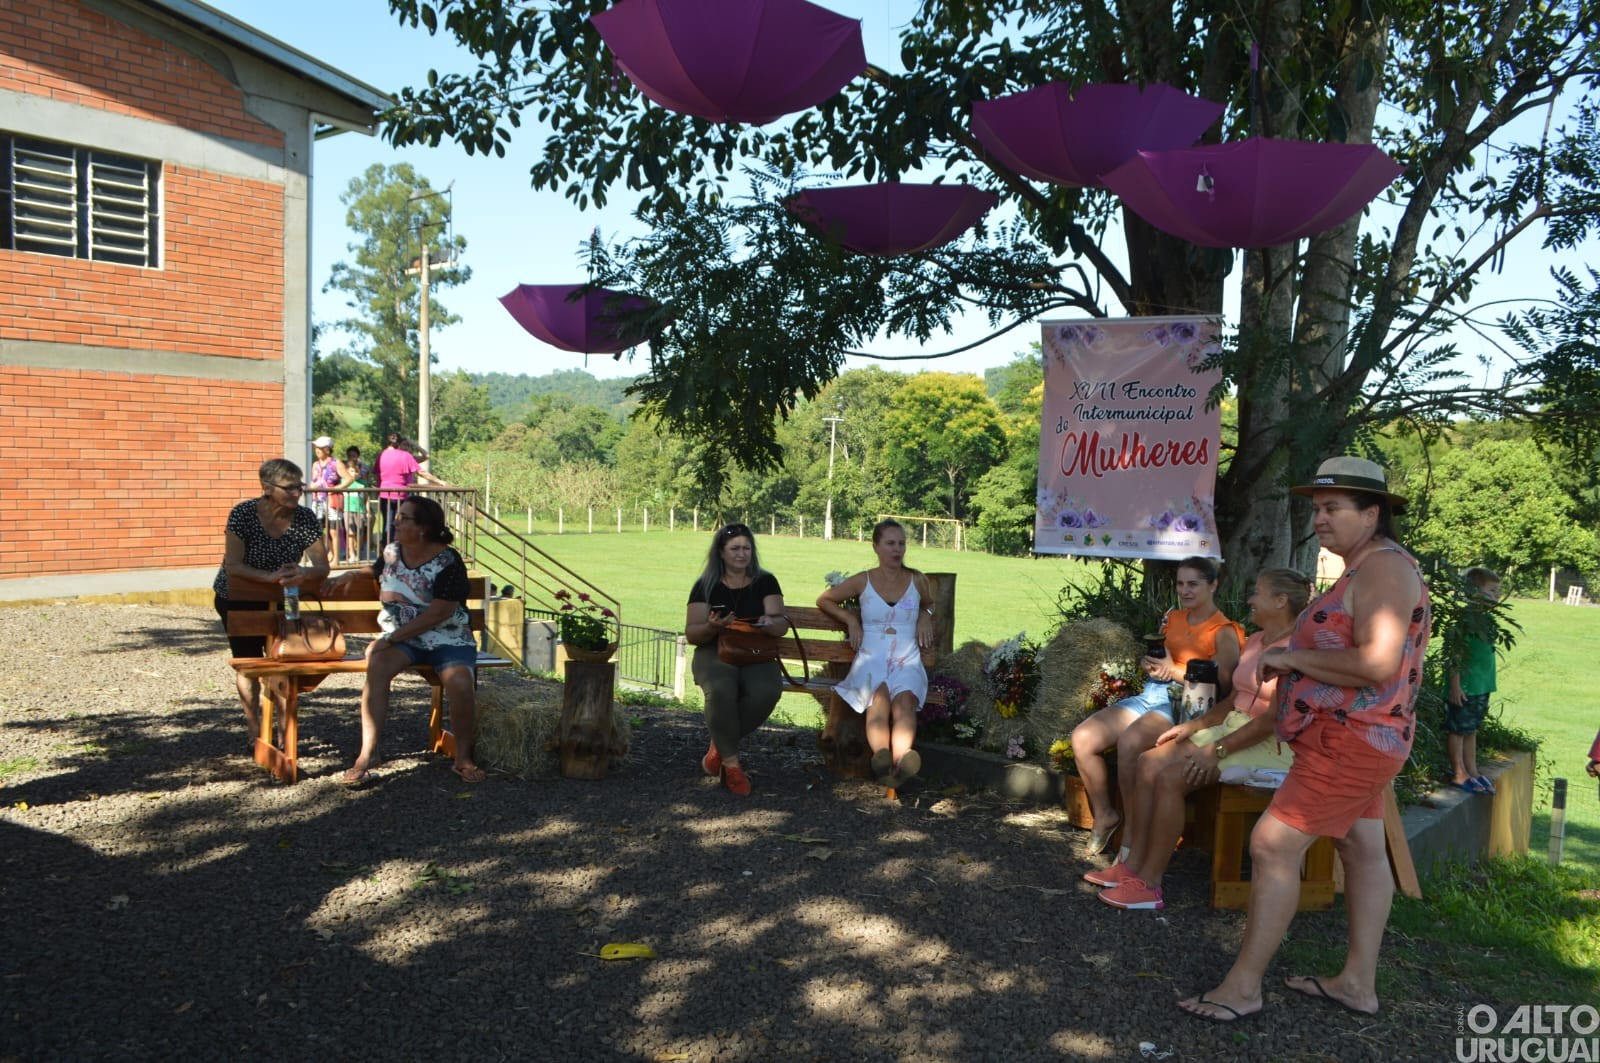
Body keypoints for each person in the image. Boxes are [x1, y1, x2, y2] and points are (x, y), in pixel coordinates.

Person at [1179, 456, 1430, 1022]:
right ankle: (1357, 984)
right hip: (1352, 739)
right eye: (1316, 508)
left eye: (1333, 508)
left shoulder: (1385, 570)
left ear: (1373, 513)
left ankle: (1243, 988)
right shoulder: (1363, 567)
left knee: (1272, 844)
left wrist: (1289, 656)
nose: (1319, 518)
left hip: (1353, 740)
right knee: (1362, 849)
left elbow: (1377, 662)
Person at [1090, 569, 1312, 910]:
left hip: (1271, 744)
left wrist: (1216, 750)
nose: (1250, 599)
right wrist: (1192, 727)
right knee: (1149, 761)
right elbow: (1231, 701)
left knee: (1170, 778)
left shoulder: (1298, 651)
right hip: (1232, 726)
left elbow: (1272, 719)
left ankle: (1149, 885)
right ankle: (1131, 866)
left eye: (1258, 592)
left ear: (1281, 601)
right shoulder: (1255, 640)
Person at [1070, 556, 1243, 857]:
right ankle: (1106, 815)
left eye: (1194, 584)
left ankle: (1132, 838)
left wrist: (1173, 671)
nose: (1185, 590)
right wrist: (1148, 663)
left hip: (1185, 703)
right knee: (1083, 739)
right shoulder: (1173, 617)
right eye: (1180, 583)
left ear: (1213, 585)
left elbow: (1224, 686)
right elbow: (1159, 657)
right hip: (1152, 692)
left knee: (1130, 743)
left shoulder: (1224, 631)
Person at [340, 496, 484, 786]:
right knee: (378, 665)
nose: (395, 521)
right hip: (406, 637)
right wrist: (353, 573)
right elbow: (380, 569)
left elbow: (439, 613)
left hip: (447, 636)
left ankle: (463, 758)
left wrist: (389, 638)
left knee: (459, 682)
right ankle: (367, 755)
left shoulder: (448, 560)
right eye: (398, 516)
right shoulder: (393, 551)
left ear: (423, 528)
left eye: (404, 518)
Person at [212, 458, 330, 741]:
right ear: (267, 487)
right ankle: (255, 729)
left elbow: (322, 567)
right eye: (289, 488)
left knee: (283, 661)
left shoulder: (305, 518)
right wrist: (268, 577)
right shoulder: (243, 514)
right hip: (239, 597)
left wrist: (302, 573)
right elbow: (234, 566)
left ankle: (282, 729)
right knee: (248, 662)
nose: (296, 493)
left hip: (285, 596)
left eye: (299, 487)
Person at [817, 519, 935, 788]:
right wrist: (851, 620)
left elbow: (930, 604)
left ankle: (903, 761)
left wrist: (925, 616)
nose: (897, 550)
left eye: (902, 543)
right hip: (872, 657)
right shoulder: (863, 580)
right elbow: (824, 599)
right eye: (890, 543)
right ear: (876, 547)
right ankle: (882, 762)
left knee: (905, 700)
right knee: (878, 698)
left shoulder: (917, 579)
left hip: (906, 658)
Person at [684, 523, 788, 797]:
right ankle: (732, 767)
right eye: (735, 549)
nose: (742, 554)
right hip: (714, 649)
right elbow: (693, 633)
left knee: (767, 691)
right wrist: (713, 627)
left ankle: (720, 745)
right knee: (720, 690)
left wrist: (769, 621)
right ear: (721, 552)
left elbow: (781, 624)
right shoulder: (705, 585)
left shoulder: (765, 581)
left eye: (747, 548)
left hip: (755, 649)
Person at [1446, 566, 1502, 795]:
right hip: (1466, 687)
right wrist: (1455, 685)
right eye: (1491, 590)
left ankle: (1473, 770)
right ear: (1474, 592)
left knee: (1472, 729)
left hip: (1481, 686)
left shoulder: (1487, 620)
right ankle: (1459, 773)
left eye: (1498, 591)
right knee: (1458, 730)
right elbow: (1454, 656)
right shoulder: (1465, 621)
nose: (1497, 596)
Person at [375, 431, 419, 549]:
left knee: (387, 524)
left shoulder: (381, 455)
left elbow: (377, 474)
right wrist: (439, 481)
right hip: (401, 495)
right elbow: (421, 472)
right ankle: (400, 549)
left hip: (385, 494)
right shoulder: (405, 455)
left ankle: (385, 550)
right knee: (402, 523)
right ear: (399, 443)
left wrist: (379, 486)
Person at [309, 437, 343, 563]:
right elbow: (314, 480)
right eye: (316, 447)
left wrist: (335, 488)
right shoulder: (315, 464)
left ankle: (336, 558)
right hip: (317, 501)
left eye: (319, 448)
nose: (316, 450)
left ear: (327, 450)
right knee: (319, 529)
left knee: (333, 530)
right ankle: (328, 553)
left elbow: (349, 478)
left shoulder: (336, 463)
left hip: (331, 500)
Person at [338, 445, 371, 563]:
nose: (354, 473)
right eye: (351, 471)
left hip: (360, 510)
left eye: (356, 471)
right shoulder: (344, 482)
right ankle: (351, 553)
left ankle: (358, 550)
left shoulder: (362, 483)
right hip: (348, 509)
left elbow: (366, 497)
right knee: (350, 533)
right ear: (347, 471)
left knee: (360, 532)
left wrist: (368, 511)